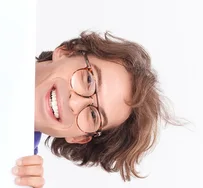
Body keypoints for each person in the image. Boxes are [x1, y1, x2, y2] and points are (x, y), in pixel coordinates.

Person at [33, 31, 176, 180]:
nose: (73, 103)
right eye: (88, 80)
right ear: (67, 53)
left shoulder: (17, 170)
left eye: (93, 115)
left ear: (78, 137)